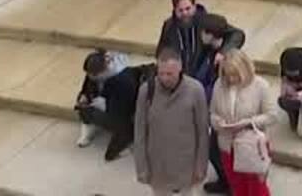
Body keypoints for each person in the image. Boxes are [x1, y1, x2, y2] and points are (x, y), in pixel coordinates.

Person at [135, 49, 212, 196]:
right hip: (158, 165)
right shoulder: (146, 90)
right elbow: (140, 131)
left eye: (169, 74)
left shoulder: (195, 90)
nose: (164, 78)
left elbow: (202, 132)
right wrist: (142, 168)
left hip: (187, 164)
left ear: (180, 68)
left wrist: (201, 166)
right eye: (161, 73)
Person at [207, 48, 276, 196]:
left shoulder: (260, 86)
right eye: (228, 74)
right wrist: (218, 122)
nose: (231, 79)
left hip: (252, 145)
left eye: (235, 74)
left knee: (257, 189)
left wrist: (248, 122)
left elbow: (271, 115)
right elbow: (212, 112)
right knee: (237, 187)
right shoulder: (219, 84)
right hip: (227, 145)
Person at [78, 49, 149, 161]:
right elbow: (87, 88)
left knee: (96, 113)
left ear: (101, 72)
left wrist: (103, 105)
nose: (89, 77)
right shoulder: (94, 73)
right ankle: (89, 124)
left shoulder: (122, 80)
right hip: (106, 101)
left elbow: (123, 109)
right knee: (82, 107)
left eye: (92, 76)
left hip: (126, 111)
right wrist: (84, 96)